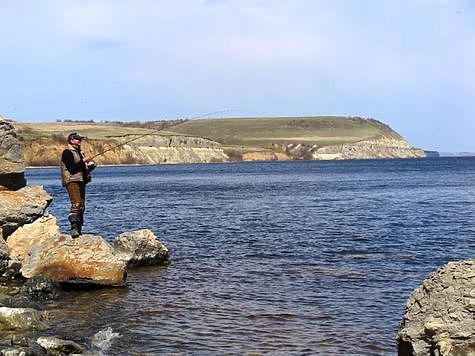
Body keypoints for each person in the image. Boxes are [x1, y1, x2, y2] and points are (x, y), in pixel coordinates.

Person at [60, 132, 96, 238]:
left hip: (81, 181)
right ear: (71, 140)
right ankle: (74, 229)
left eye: (80, 139)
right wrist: (84, 161)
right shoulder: (67, 152)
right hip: (72, 181)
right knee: (76, 204)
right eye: (77, 139)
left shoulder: (80, 152)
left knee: (82, 206)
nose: (80, 141)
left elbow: (81, 168)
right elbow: (72, 168)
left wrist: (90, 166)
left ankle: (79, 229)